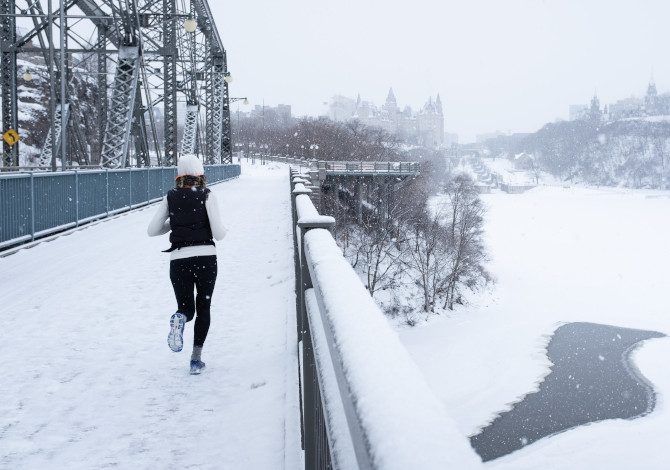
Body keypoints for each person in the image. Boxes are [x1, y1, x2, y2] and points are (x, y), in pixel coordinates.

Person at [147, 154, 227, 375]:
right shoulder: (207, 195)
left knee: (186, 308)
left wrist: (174, 223)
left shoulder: (170, 196)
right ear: (200, 174)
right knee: (204, 307)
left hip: (179, 260)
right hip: (205, 258)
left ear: (178, 176)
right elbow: (219, 234)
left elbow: (152, 230)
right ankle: (195, 360)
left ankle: (179, 319)